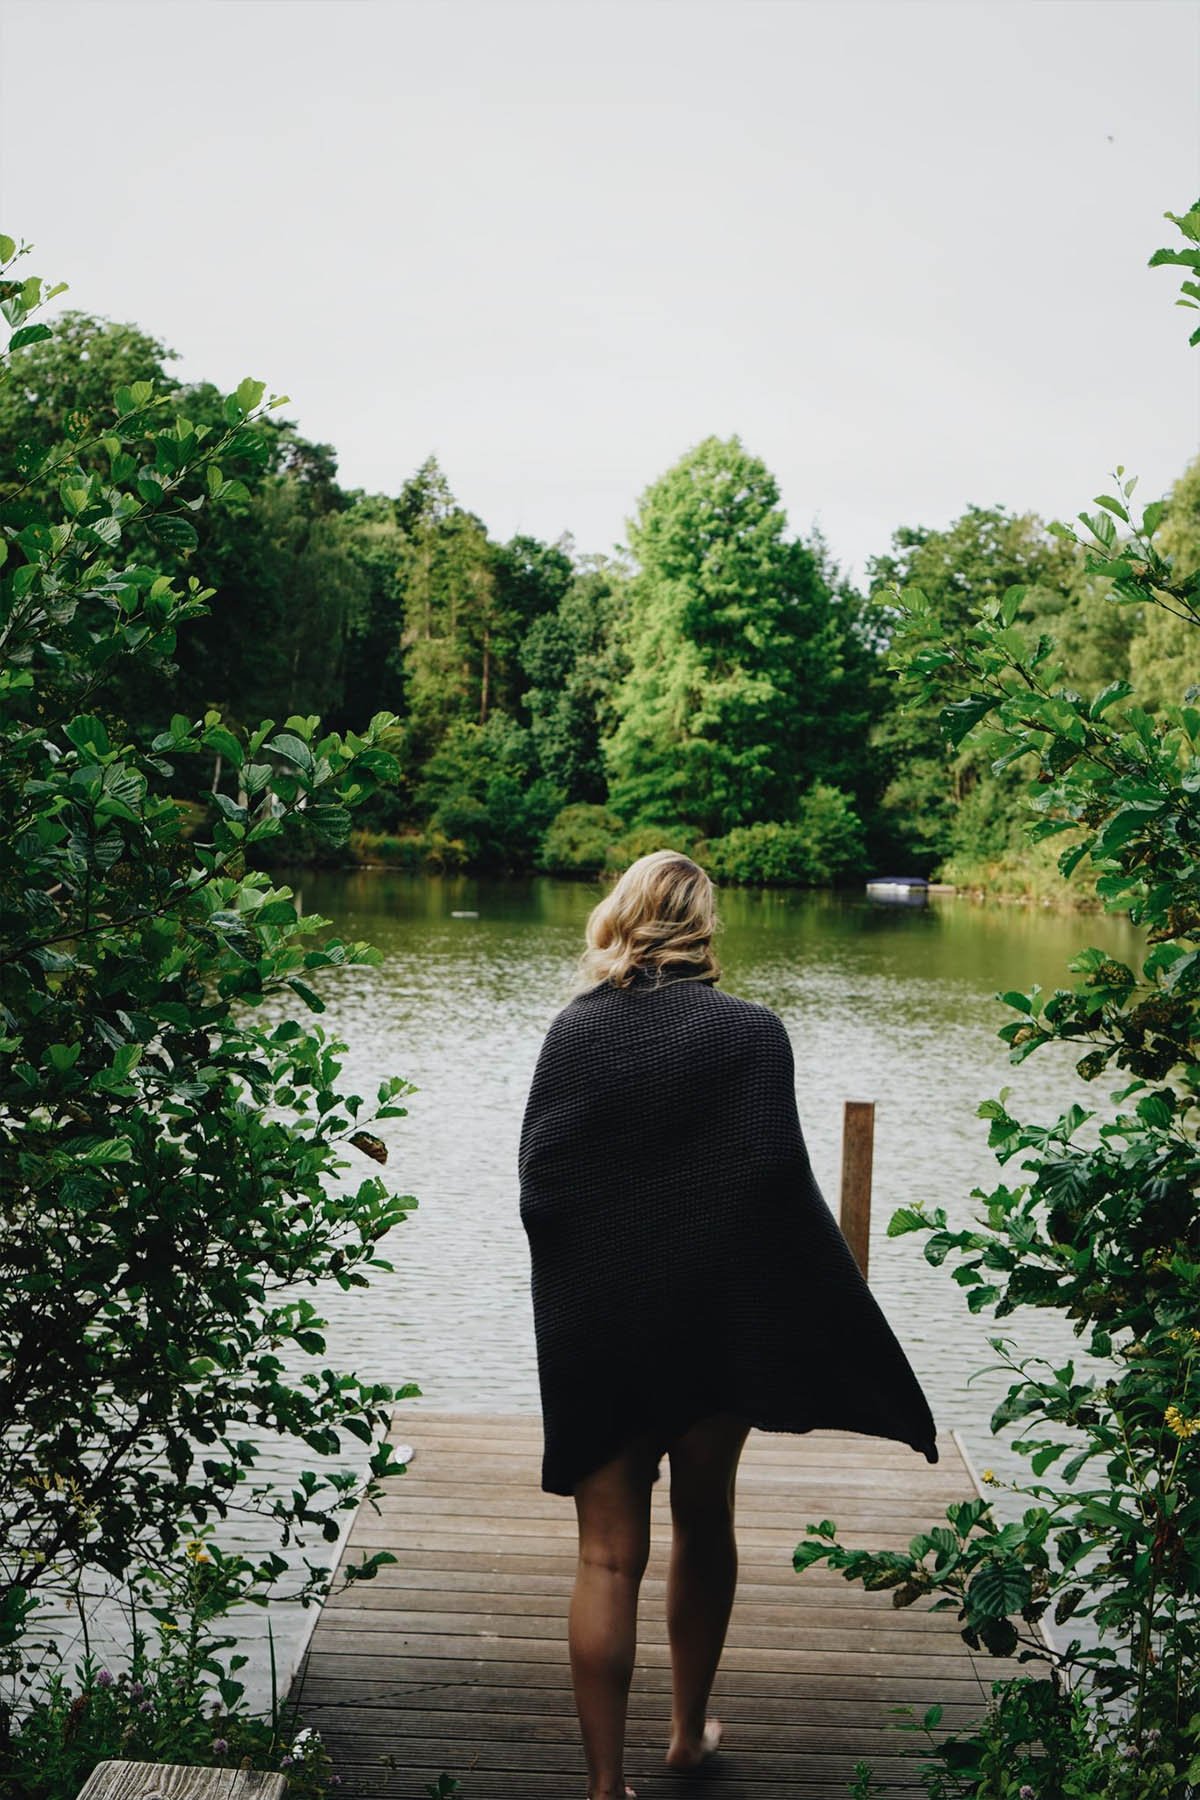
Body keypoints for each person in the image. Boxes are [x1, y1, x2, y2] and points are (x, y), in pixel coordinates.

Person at [518, 850, 937, 1800]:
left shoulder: (572, 1032)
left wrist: (591, 1291)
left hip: (599, 1328)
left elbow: (544, 1189)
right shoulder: (752, 1034)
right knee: (704, 1523)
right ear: (704, 928)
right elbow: (770, 1190)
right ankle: (684, 1739)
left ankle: (602, 1787)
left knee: (605, 1555)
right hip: (710, 1331)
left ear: (621, 914)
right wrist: (824, 1315)